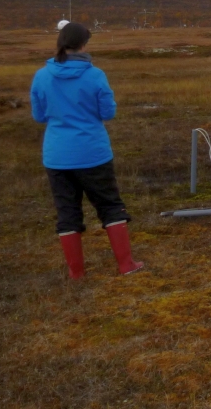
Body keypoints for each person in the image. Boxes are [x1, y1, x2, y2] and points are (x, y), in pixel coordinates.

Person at [30, 22, 143, 278]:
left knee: (67, 211)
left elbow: (39, 115)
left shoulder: (42, 76)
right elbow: (108, 112)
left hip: (57, 155)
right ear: (84, 44)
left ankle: (77, 273)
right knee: (110, 206)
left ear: (60, 42)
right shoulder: (95, 75)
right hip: (93, 153)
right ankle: (126, 265)